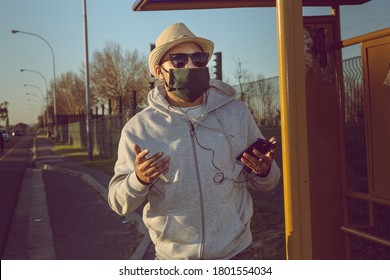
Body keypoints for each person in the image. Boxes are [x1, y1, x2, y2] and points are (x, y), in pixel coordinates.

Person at [108, 23, 281, 260]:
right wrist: (138, 179)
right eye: (178, 61)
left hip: (236, 254)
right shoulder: (139, 129)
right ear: (160, 71)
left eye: (198, 59)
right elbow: (118, 202)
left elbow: (268, 183)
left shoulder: (236, 113)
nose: (190, 66)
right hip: (173, 261)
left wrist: (265, 171)